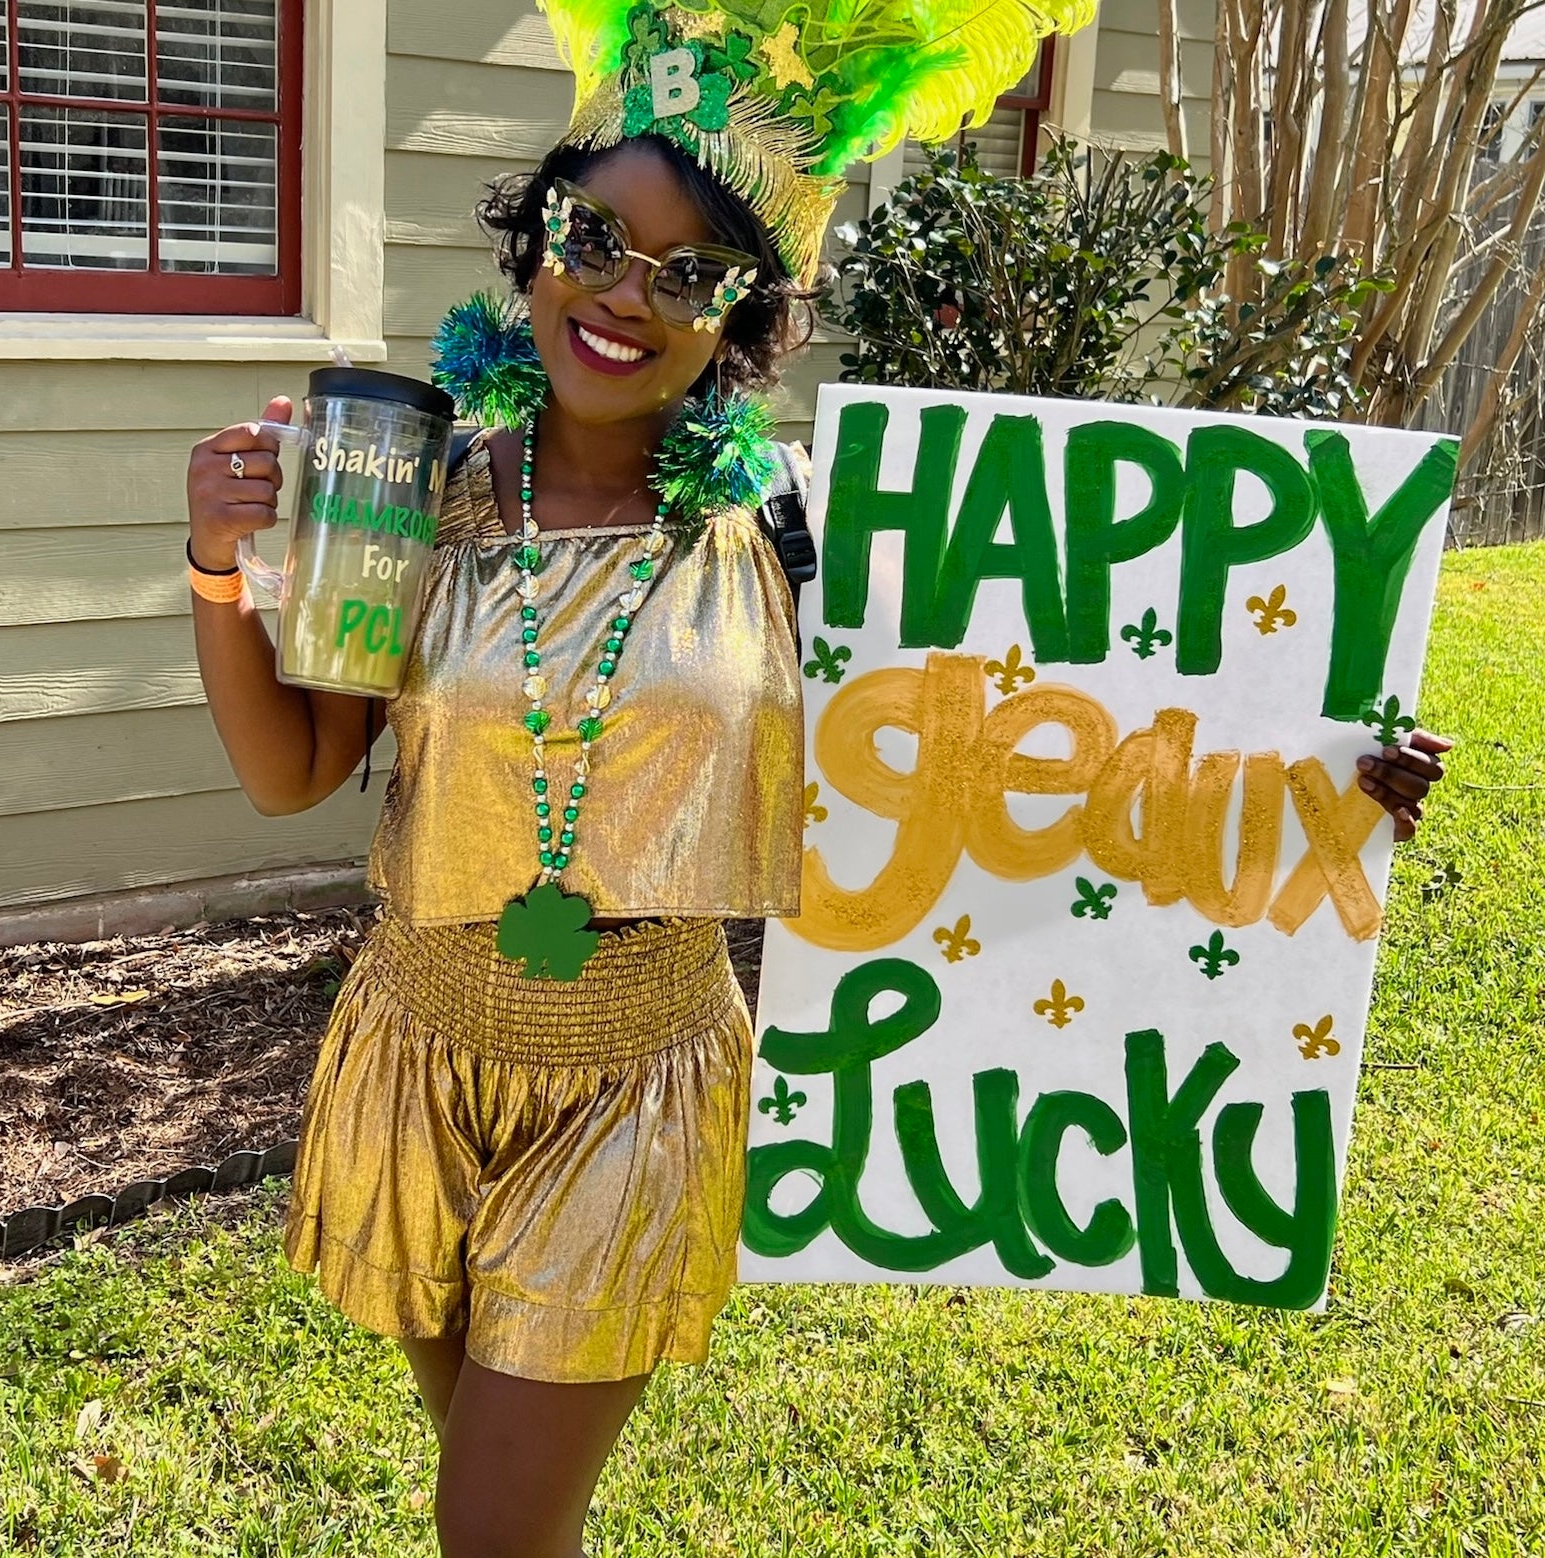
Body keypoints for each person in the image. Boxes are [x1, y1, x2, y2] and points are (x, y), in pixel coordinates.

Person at [182, 4, 1451, 1554]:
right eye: (595, 234)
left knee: (490, 1532)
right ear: (534, 237)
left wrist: (1313, 771)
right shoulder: (426, 492)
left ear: (745, 313)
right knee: (511, 1508)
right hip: (416, 1053)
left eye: (691, 272)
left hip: (632, 1089)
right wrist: (213, 566)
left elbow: (1064, 721)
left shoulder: (806, 534)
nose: (624, 294)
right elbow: (291, 771)